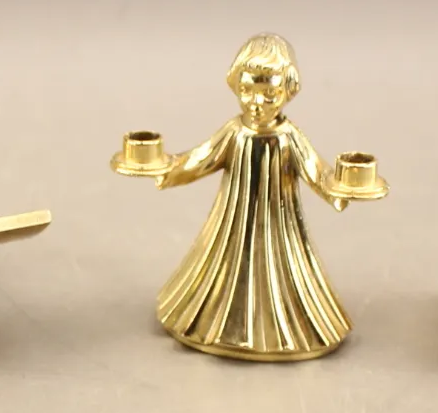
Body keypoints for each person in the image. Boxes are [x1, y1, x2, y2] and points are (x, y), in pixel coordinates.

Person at [149, 34, 362, 360]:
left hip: (278, 224)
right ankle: (216, 318)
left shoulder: (289, 137)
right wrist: (167, 168)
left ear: (288, 91)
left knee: (280, 269)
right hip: (232, 221)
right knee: (223, 266)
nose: (256, 102)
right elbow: (200, 159)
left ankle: (281, 326)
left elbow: (316, 172)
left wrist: (339, 187)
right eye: (247, 90)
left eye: (269, 94)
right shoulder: (235, 132)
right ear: (235, 85)